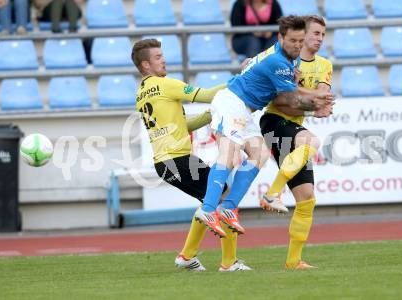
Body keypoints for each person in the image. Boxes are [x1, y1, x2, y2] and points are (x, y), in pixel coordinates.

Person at [194, 15, 334, 238]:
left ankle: (228, 207)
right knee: (228, 155)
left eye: (301, 41)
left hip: (245, 110)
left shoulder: (290, 59)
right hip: (232, 102)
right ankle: (208, 209)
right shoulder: (278, 62)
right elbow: (291, 99)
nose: (298, 45)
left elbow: (293, 88)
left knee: (258, 154)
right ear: (280, 37)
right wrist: (317, 103)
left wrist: (316, 98)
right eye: (293, 41)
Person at [131, 39, 251, 272]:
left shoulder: (142, 93)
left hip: (165, 162)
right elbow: (206, 94)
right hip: (177, 159)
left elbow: (182, 124)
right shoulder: (163, 84)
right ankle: (228, 263)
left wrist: (210, 114)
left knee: (209, 202)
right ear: (145, 65)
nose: (163, 59)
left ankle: (187, 256)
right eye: (157, 57)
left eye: (162, 55)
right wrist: (240, 78)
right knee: (224, 197)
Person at [260, 15, 334, 270]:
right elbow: (282, 102)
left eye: (322, 35)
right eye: (315, 33)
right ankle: (271, 193)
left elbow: (322, 97)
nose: (319, 39)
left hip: (295, 124)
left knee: (307, 199)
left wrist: (320, 106)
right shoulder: (283, 61)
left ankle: (293, 261)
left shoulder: (324, 65)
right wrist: (313, 104)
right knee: (312, 141)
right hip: (274, 121)